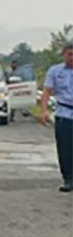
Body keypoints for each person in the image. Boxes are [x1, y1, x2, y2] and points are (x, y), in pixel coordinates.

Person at [38, 43, 73, 192]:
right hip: (64, 113)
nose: (72, 57)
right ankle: (68, 178)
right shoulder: (55, 71)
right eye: (69, 54)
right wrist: (43, 111)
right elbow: (47, 91)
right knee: (65, 148)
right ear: (63, 55)